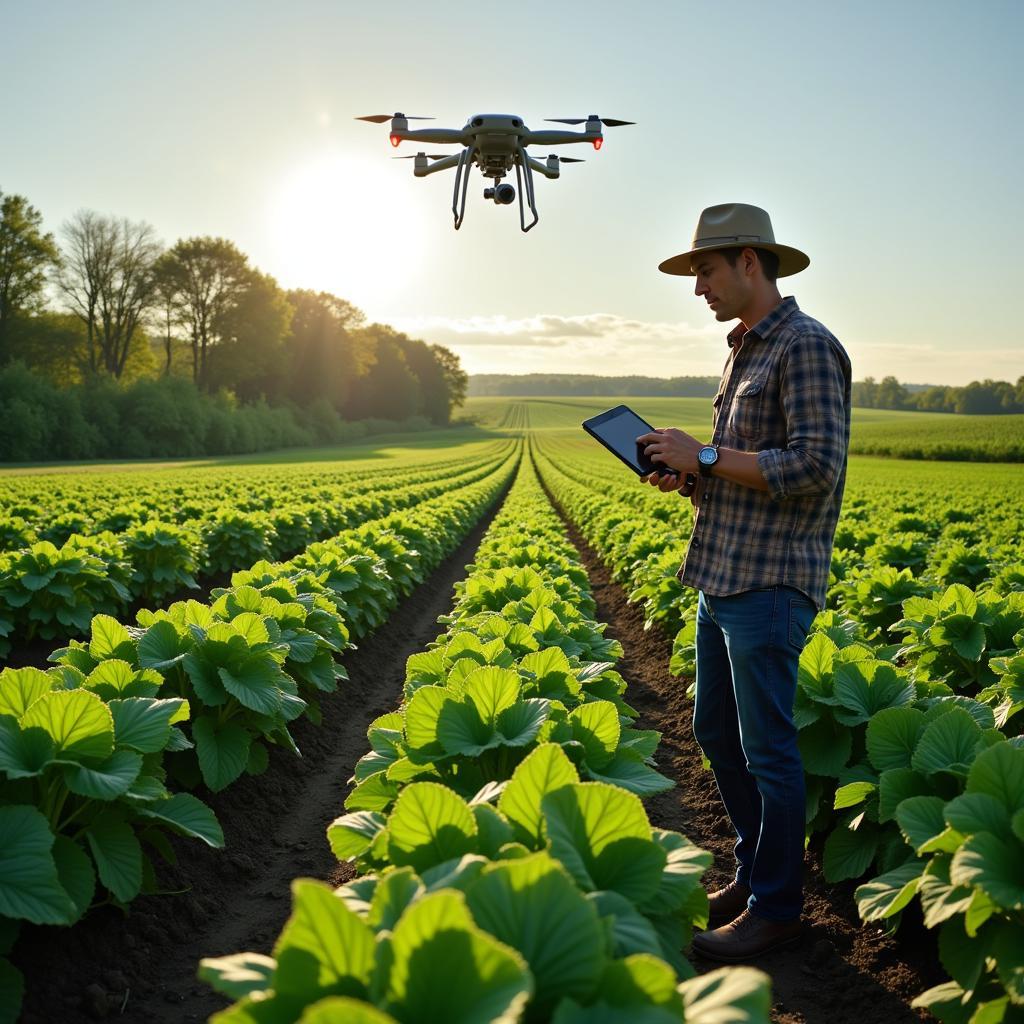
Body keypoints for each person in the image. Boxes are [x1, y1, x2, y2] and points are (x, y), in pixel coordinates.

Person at [636, 202, 851, 962]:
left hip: (769, 585)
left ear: (750, 263)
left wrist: (707, 458)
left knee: (769, 751)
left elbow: (817, 467)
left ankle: (778, 907)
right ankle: (757, 873)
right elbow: (743, 466)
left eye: (706, 270)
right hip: (719, 575)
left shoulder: (807, 348)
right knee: (713, 733)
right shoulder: (740, 352)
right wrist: (691, 475)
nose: (698, 286)